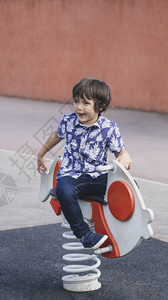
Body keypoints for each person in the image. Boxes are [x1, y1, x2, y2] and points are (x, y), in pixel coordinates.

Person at [37, 77, 132, 250]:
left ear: (100, 106)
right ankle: (84, 234)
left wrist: (125, 157)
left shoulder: (109, 128)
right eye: (76, 101)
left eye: (86, 103)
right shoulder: (68, 120)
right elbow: (56, 136)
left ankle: (122, 229)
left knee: (128, 187)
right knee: (63, 190)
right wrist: (41, 154)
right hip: (72, 175)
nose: (79, 107)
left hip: (97, 176)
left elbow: (121, 152)